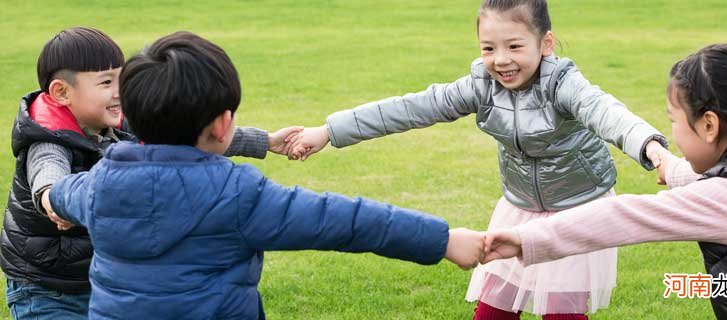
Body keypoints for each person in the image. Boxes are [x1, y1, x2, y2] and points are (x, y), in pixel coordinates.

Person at [45, 31, 486, 320]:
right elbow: (345, 221)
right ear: (222, 125)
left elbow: (61, 194)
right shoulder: (237, 194)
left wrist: (53, 203)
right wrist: (442, 240)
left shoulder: (100, 182)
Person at [284, 0, 669, 319]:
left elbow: (607, 113)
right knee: (493, 309)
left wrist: (653, 149)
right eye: (489, 48)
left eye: (515, 46)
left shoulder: (564, 84)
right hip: (520, 206)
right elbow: (410, 108)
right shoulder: (481, 85)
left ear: (545, 43)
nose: (501, 60)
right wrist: (328, 132)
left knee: (562, 312)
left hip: (578, 206)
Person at [483, 43, 727, 320]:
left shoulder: (726, 199)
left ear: (708, 125)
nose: (672, 128)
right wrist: (667, 164)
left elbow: (623, 217)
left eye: (673, 120)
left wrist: (522, 239)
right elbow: (710, 181)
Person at [1, 27, 299, 320]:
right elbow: (47, 173)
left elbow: (193, 134)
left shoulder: (120, 123)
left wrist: (268, 141)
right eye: (106, 83)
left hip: (100, 280)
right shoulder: (46, 139)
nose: (119, 92)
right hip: (45, 290)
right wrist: (51, 197)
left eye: (122, 78)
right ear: (61, 92)